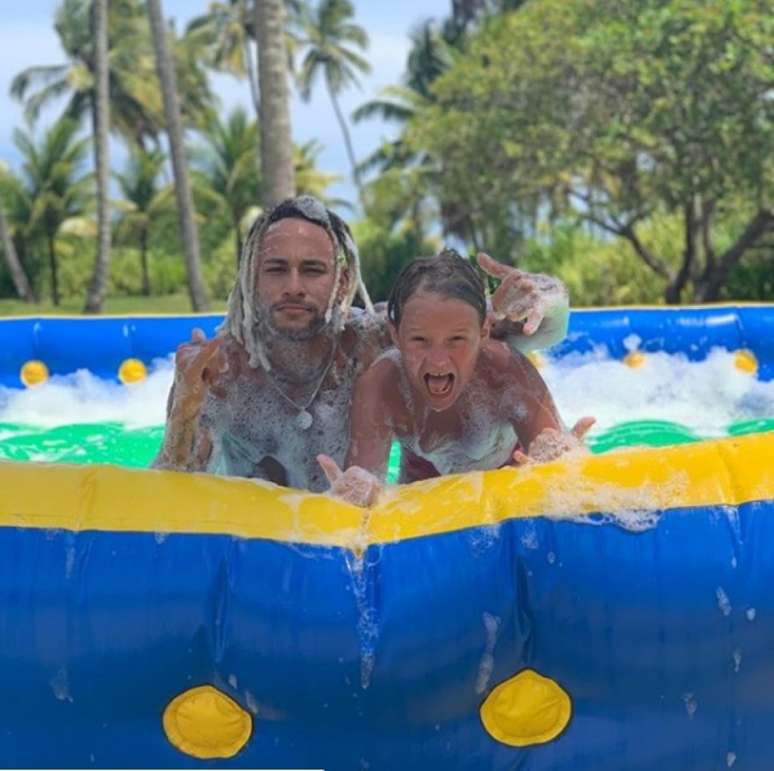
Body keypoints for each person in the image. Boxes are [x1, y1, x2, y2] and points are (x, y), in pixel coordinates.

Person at [153, 196, 572, 493]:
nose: (294, 286)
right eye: (277, 269)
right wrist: (185, 407)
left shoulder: (372, 340)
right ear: (251, 277)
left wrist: (545, 296)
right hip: (259, 548)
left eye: (313, 270)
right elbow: (173, 487)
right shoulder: (220, 371)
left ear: (340, 281)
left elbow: (526, 337)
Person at [318, 250, 593, 507]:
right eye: (420, 339)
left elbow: (556, 464)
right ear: (395, 335)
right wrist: (354, 496)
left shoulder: (506, 372)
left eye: (456, 339)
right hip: (422, 490)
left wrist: (562, 462)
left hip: (507, 483)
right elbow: (364, 487)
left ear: (483, 332)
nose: (438, 360)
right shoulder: (380, 385)